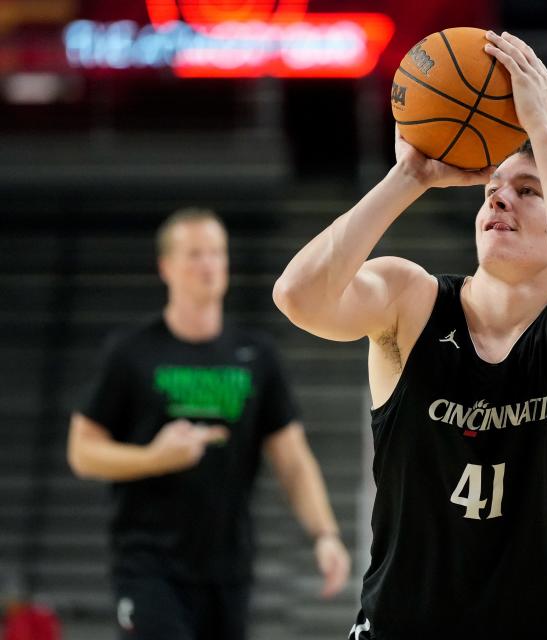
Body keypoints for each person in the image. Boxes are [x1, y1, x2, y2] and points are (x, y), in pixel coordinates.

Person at [273, 30, 547, 640]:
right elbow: (297, 296)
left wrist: (543, 130)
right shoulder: (410, 299)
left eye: (529, 191)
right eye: (494, 189)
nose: (500, 198)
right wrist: (409, 176)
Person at [67, 208, 351, 640]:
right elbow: (82, 451)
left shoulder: (256, 354)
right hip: (148, 563)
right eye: (195, 254)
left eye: (217, 253)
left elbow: (292, 460)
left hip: (228, 565)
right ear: (166, 267)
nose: (209, 264)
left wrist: (325, 534)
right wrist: (154, 458)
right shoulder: (129, 352)